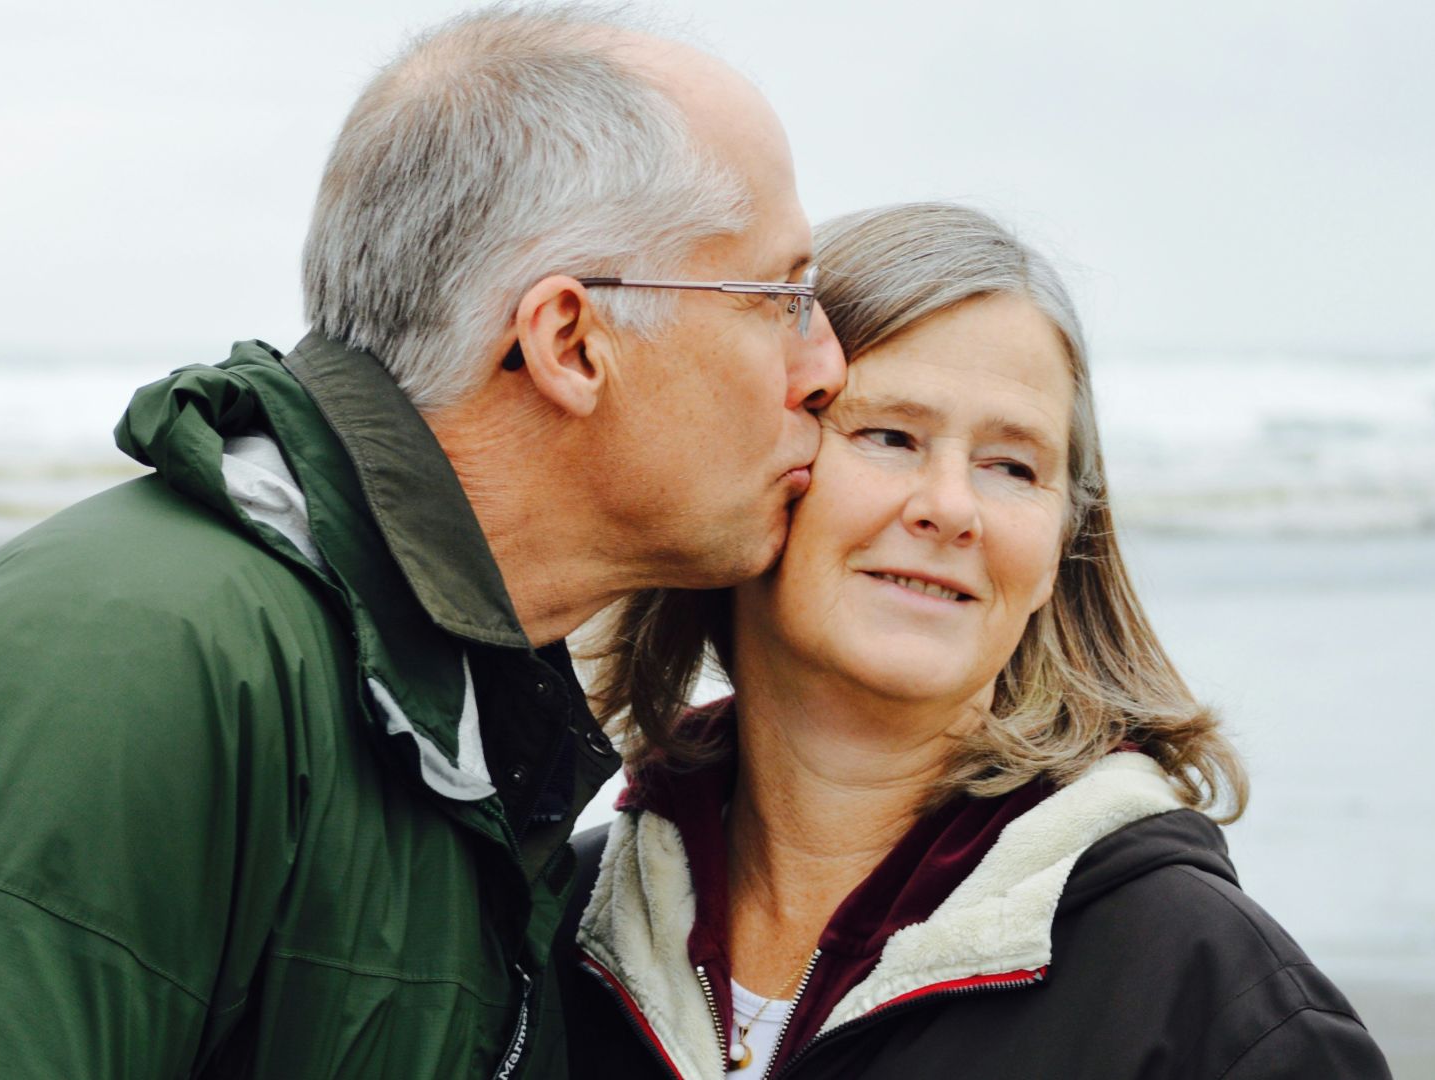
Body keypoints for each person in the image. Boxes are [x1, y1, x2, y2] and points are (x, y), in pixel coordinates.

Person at [0, 6, 845, 1078]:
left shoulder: (448, 700)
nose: (826, 367)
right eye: (778, 297)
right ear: (569, 341)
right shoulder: (123, 662)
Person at [560, 202, 1391, 1079]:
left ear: (1060, 552)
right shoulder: (560, 931)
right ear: (758, 468)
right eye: (889, 435)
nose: (951, 508)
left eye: (1013, 466)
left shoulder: (1215, 1000)